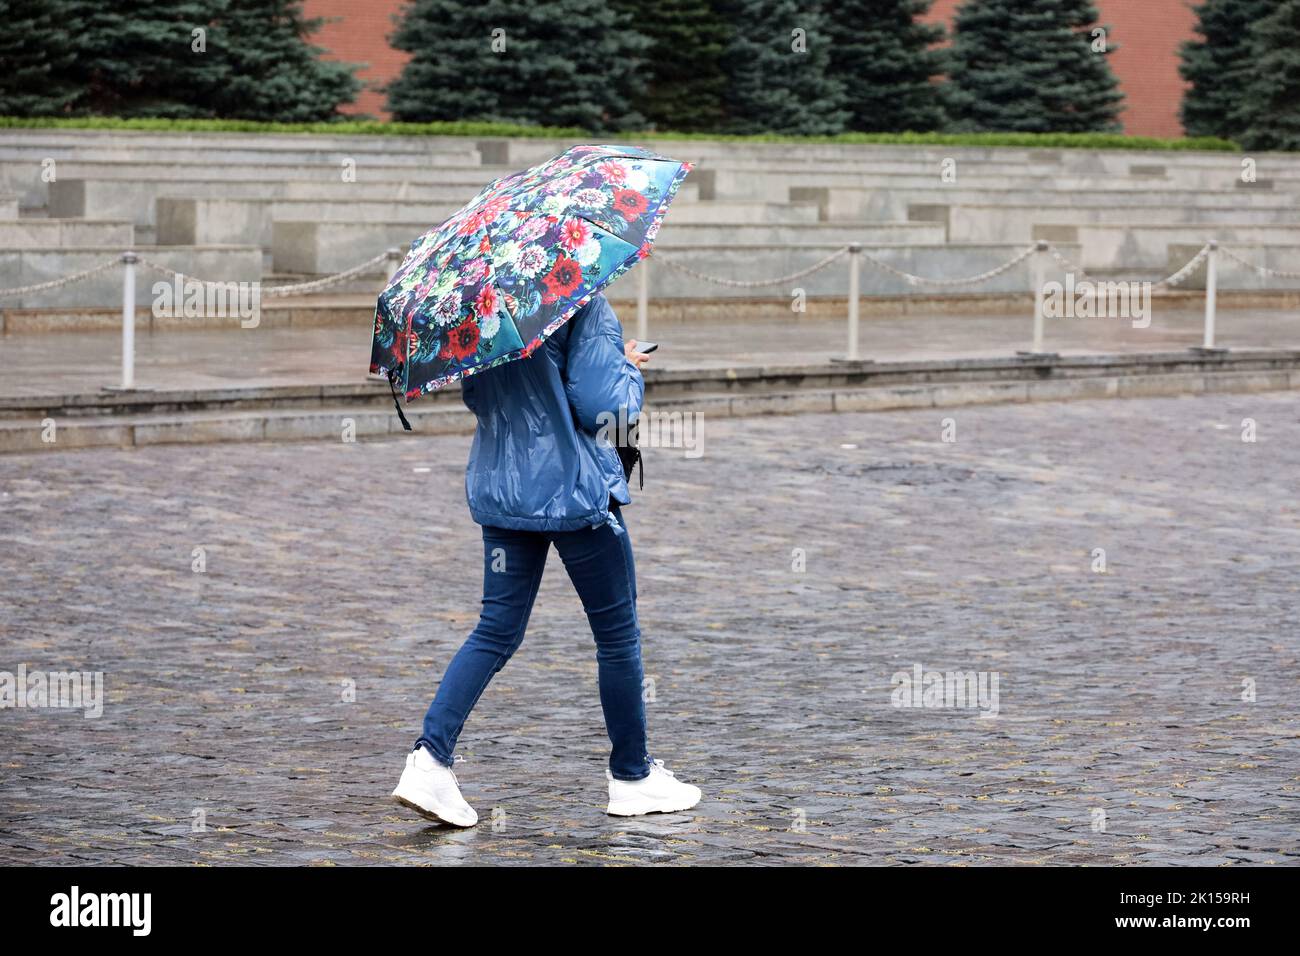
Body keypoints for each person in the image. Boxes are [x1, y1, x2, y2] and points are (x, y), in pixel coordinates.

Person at [391, 292, 702, 826]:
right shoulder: (583, 303)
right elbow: (609, 412)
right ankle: (632, 776)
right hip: (575, 493)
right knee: (617, 634)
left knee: (495, 629)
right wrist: (625, 366)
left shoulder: (481, 307)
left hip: (504, 488)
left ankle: (429, 761)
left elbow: (479, 397)